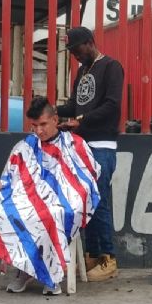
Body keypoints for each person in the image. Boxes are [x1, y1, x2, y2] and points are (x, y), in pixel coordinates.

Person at [0, 96, 101, 295]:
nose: (39, 131)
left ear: (55, 120)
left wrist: (67, 196)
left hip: (65, 201)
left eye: (43, 124)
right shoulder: (26, 146)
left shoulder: (74, 144)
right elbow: (9, 177)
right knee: (7, 212)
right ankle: (23, 270)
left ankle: (51, 275)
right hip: (29, 197)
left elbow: (88, 177)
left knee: (51, 215)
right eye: (34, 126)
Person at [56, 27, 124, 282]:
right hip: (82, 146)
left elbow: (112, 104)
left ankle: (108, 257)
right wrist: (54, 111)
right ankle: (93, 255)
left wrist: (80, 120)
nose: (73, 55)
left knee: (101, 200)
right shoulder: (82, 72)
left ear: (89, 43)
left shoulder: (111, 67)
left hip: (103, 145)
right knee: (88, 202)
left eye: (75, 49)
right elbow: (75, 105)